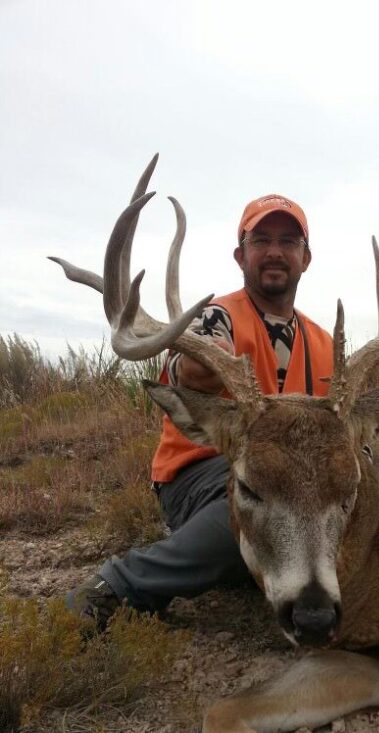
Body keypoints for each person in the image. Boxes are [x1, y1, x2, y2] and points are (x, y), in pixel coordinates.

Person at [67, 194, 334, 628]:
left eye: (288, 241)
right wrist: (195, 367)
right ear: (240, 254)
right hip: (203, 473)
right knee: (249, 516)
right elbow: (180, 368)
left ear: (305, 258)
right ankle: (117, 586)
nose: (274, 251)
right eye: (260, 239)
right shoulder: (216, 318)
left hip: (288, 478)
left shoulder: (324, 342)